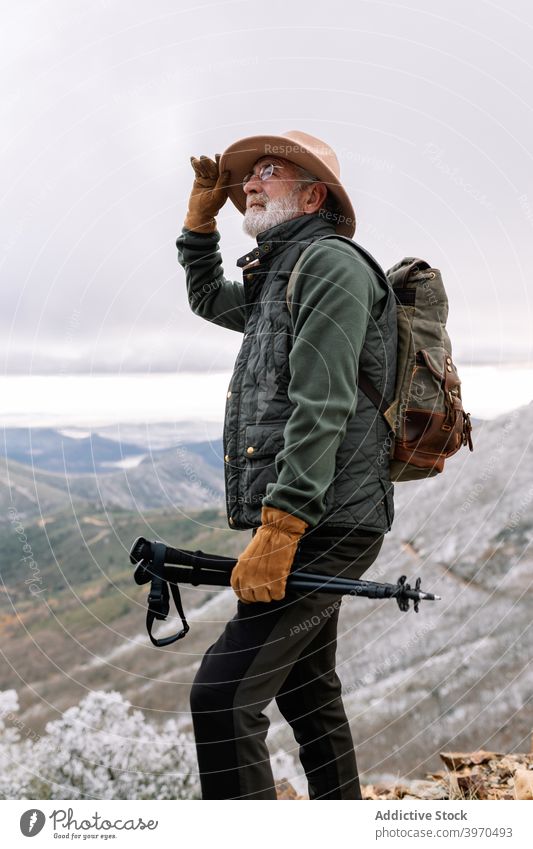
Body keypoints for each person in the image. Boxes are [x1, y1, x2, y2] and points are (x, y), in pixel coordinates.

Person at [176, 130, 397, 800]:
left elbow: (322, 402)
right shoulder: (281, 275)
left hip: (320, 522)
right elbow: (208, 297)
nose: (248, 182)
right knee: (307, 691)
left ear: (313, 194)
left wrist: (280, 526)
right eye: (247, 175)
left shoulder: (329, 265)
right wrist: (197, 222)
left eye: (267, 171)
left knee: (221, 697)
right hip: (318, 517)